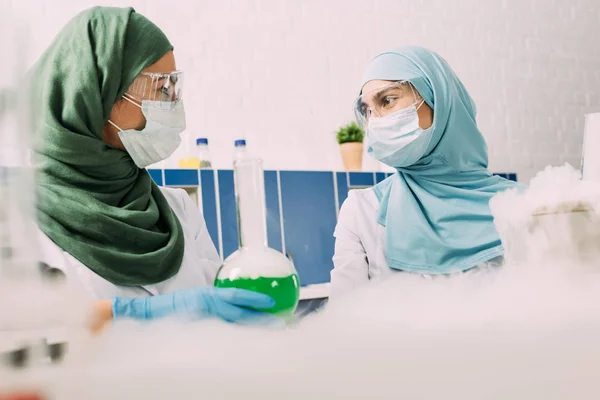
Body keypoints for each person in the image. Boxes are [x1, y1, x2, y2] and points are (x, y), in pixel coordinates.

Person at [28, 7, 275, 330]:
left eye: (175, 91)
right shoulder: (21, 226)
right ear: (95, 93)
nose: (174, 108)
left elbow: (221, 327)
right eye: (161, 90)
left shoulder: (179, 210)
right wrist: (132, 315)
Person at [330, 46, 523, 297]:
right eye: (367, 110)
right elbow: (343, 322)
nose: (375, 120)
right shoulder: (361, 212)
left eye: (387, 100)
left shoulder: (522, 207)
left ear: (438, 101)